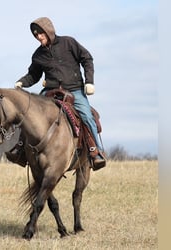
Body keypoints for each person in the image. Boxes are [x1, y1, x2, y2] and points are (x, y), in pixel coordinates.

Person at [7, 17, 106, 171]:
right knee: (29, 112)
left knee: (86, 115)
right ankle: (21, 150)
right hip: (51, 91)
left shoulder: (69, 43)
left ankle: (96, 152)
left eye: (41, 33)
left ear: (49, 31)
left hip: (74, 90)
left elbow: (87, 58)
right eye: (36, 35)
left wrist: (89, 82)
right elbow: (33, 75)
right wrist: (21, 82)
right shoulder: (38, 55)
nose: (39, 37)